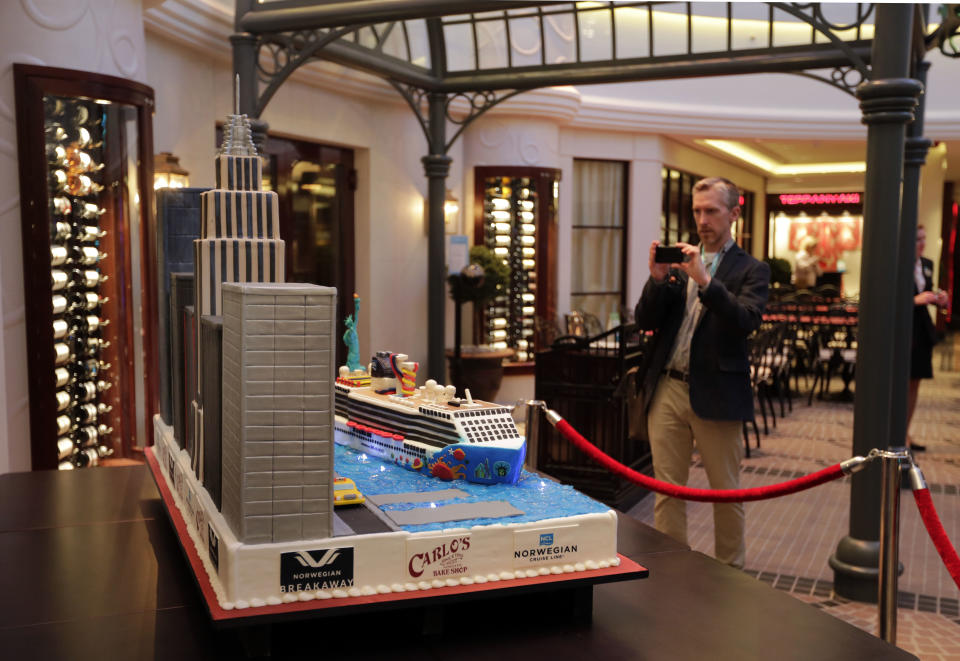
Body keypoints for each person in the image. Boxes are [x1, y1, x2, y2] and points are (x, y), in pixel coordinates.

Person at [634, 177, 770, 569]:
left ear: (734, 213)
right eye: (697, 211)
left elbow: (746, 320)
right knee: (666, 490)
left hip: (718, 391)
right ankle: (670, 566)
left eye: (711, 210)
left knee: (725, 492)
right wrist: (658, 278)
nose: (702, 219)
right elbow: (645, 319)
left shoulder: (751, 269)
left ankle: (731, 572)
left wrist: (706, 281)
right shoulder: (679, 261)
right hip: (668, 388)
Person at [907, 225, 949, 452]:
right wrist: (916, 300)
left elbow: (927, 293)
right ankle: (898, 433)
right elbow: (890, 300)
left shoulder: (927, 265)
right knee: (903, 383)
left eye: (924, 238)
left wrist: (938, 298)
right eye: (917, 239)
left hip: (922, 329)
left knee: (916, 382)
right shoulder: (899, 265)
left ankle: (906, 432)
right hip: (905, 329)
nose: (922, 243)